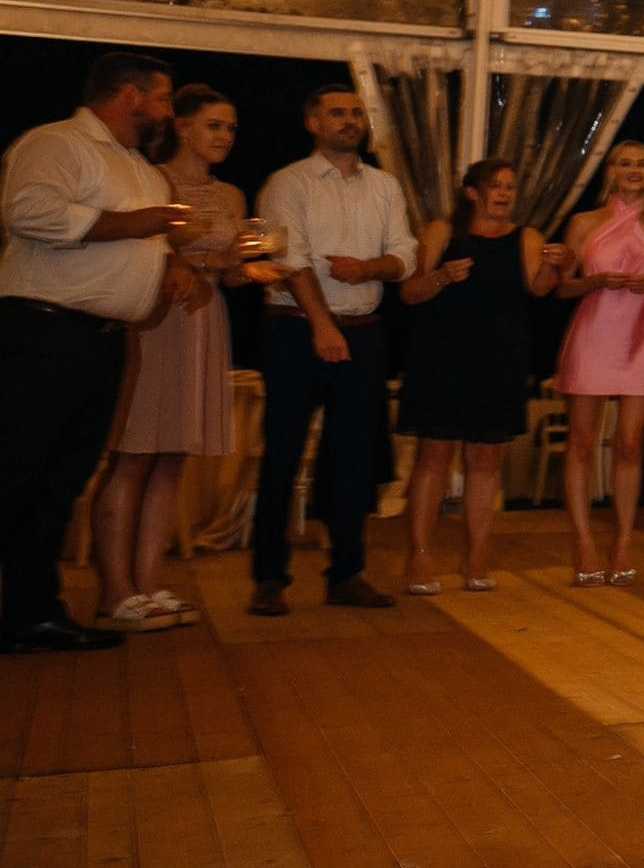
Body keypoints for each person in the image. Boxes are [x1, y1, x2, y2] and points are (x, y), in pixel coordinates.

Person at [0, 51, 187, 654]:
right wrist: (141, 227)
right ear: (130, 96)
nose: (168, 112)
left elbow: (133, 241)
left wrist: (168, 267)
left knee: (60, 483)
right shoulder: (57, 144)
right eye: (162, 98)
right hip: (41, 334)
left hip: (101, 345)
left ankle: (32, 613)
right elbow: (28, 212)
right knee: (15, 476)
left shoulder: (140, 167)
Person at [94, 85, 280, 632]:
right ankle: (116, 591)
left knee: (173, 454)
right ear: (184, 127)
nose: (225, 136)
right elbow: (135, 249)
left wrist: (249, 269)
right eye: (214, 125)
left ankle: (149, 584)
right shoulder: (153, 180)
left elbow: (225, 268)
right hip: (155, 316)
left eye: (231, 128)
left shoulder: (232, 196)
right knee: (133, 452)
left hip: (205, 319)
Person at [250, 81, 417, 616]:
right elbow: (292, 258)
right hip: (296, 330)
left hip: (364, 329)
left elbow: (405, 255)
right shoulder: (288, 182)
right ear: (312, 123)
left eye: (356, 113)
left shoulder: (385, 186)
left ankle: (346, 573)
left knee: (353, 459)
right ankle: (269, 579)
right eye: (338, 113)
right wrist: (322, 326)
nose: (351, 121)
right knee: (282, 453)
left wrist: (369, 269)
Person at [396, 159, 570, 595]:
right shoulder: (442, 232)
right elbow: (410, 292)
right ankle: (418, 556)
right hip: (441, 357)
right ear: (472, 192)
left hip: (500, 359)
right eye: (496, 186)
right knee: (434, 455)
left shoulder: (526, 237)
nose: (505, 194)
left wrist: (558, 263)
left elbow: (540, 288)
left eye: (511, 186)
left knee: (486, 461)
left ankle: (476, 556)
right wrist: (440, 277)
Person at [554, 141, 644, 586]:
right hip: (592, 335)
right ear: (611, 171)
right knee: (582, 441)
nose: (634, 170)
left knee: (629, 444)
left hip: (640, 339)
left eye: (642, 164)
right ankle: (583, 542)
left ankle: (623, 541)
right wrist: (596, 280)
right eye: (626, 163)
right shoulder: (584, 223)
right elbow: (560, 288)